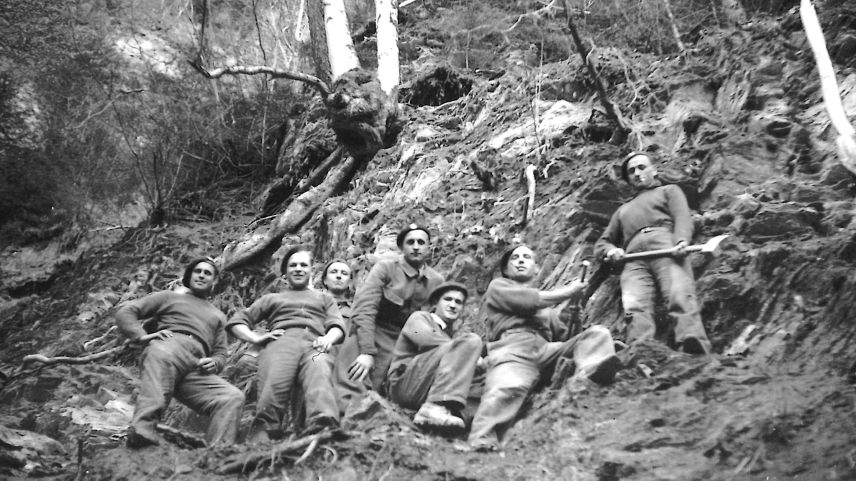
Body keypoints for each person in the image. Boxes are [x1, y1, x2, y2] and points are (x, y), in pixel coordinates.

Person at [467, 245, 620, 452]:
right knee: (507, 387)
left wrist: (575, 313)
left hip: (546, 350)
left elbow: (567, 337)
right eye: (515, 258)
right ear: (506, 270)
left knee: (597, 334)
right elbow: (529, 300)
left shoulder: (546, 310)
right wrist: (568, 292)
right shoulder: (499, 286)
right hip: (513, 350)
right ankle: (482, 437)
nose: (520, 260)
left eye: (526, 257)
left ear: (536, 268)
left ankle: (591, 374)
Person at [115, 257, 245, 448]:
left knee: (232, 397)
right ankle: (142, 429)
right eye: (197, 271)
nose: (201, 275)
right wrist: (141, 336)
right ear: (189, 276)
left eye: (207, 273)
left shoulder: (218, 316)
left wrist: (215, 363)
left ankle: (218, 452)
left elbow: (220, 352)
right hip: (168, 346)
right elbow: (126, 313)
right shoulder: (169, 297)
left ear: (214, 281)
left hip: (195, 365)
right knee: (162, 362)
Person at [596, 152, 712, 355]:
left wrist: (681, 240)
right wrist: (612, 250)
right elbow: (602, 243)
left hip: (665, 245)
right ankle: (639, 350)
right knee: (636, 306)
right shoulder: (622, 211)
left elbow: (682, 217)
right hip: (633, 260)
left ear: (654, 170)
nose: (637, 173)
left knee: (678, 292)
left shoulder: (669, 191)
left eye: (642, 167)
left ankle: (692, 341)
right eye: (632, 171)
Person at [226, 246, 346, 442]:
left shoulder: (324, 298)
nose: (298, 269)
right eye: (293, 265)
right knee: (273, 386)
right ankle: (262, 439)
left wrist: (327, 339)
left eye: (303, 265)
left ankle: (323, 426)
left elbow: (338, 327)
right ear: (285, 271)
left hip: (314, 344)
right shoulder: (272, 298)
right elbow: (237, 321)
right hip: (281, 342)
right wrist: (255, 338)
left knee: (320, 369)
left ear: (310, 270)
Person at [333, 224, 444, 414]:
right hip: (373, 329)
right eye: (410, 242)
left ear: (428, 247)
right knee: (354, 378)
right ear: (402, 247)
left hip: (406, 336)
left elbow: (434, 322)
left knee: (394, 384)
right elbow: (365, 309)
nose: (416, 247)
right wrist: (367, 351)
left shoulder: (436, 281)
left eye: (421, 242)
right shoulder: (386, 268)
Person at [387, 282, 483, 430]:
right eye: (448, 299)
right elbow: (426, 338)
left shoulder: (449, 335)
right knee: (472, 341)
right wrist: (468, 352)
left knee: (482, 374)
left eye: (458, 302)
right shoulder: (419, 318)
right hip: (404, 386)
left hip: (423, 388)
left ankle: (459, 417)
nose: (453, 305)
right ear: (435, 303)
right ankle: (433, 409)